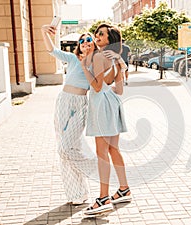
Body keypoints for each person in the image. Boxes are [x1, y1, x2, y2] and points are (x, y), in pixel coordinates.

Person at [41, 25, 97, 205]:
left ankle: (92, 165)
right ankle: (77, 194)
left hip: (80, 104)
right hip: (63, 102)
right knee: (65, 150)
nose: (85, 43)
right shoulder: (73, 59)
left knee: (67, 148)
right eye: (82, 41)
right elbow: (51, 50)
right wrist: (44, 31)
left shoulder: (97, 62)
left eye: (89, 40)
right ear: (78, 45)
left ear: (94, 44)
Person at [81, 23, 131, 215]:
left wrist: (85, 65)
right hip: (113, 104)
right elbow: (119, 90)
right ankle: (124, 188)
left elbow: (97, 86)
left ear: (110, 39)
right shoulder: (117, 59)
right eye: (97, 33)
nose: (97, 36)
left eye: (102, 34)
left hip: (101, 106)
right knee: (113, 149)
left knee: (102, 152)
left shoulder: (100, 56)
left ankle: (103, 198)